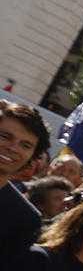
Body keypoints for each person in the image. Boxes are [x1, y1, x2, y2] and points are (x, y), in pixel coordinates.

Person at [0, 101, 53, 261]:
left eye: (26, 145)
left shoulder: (26, 219)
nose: (13, 148)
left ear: (33, 156)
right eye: (4, 136)